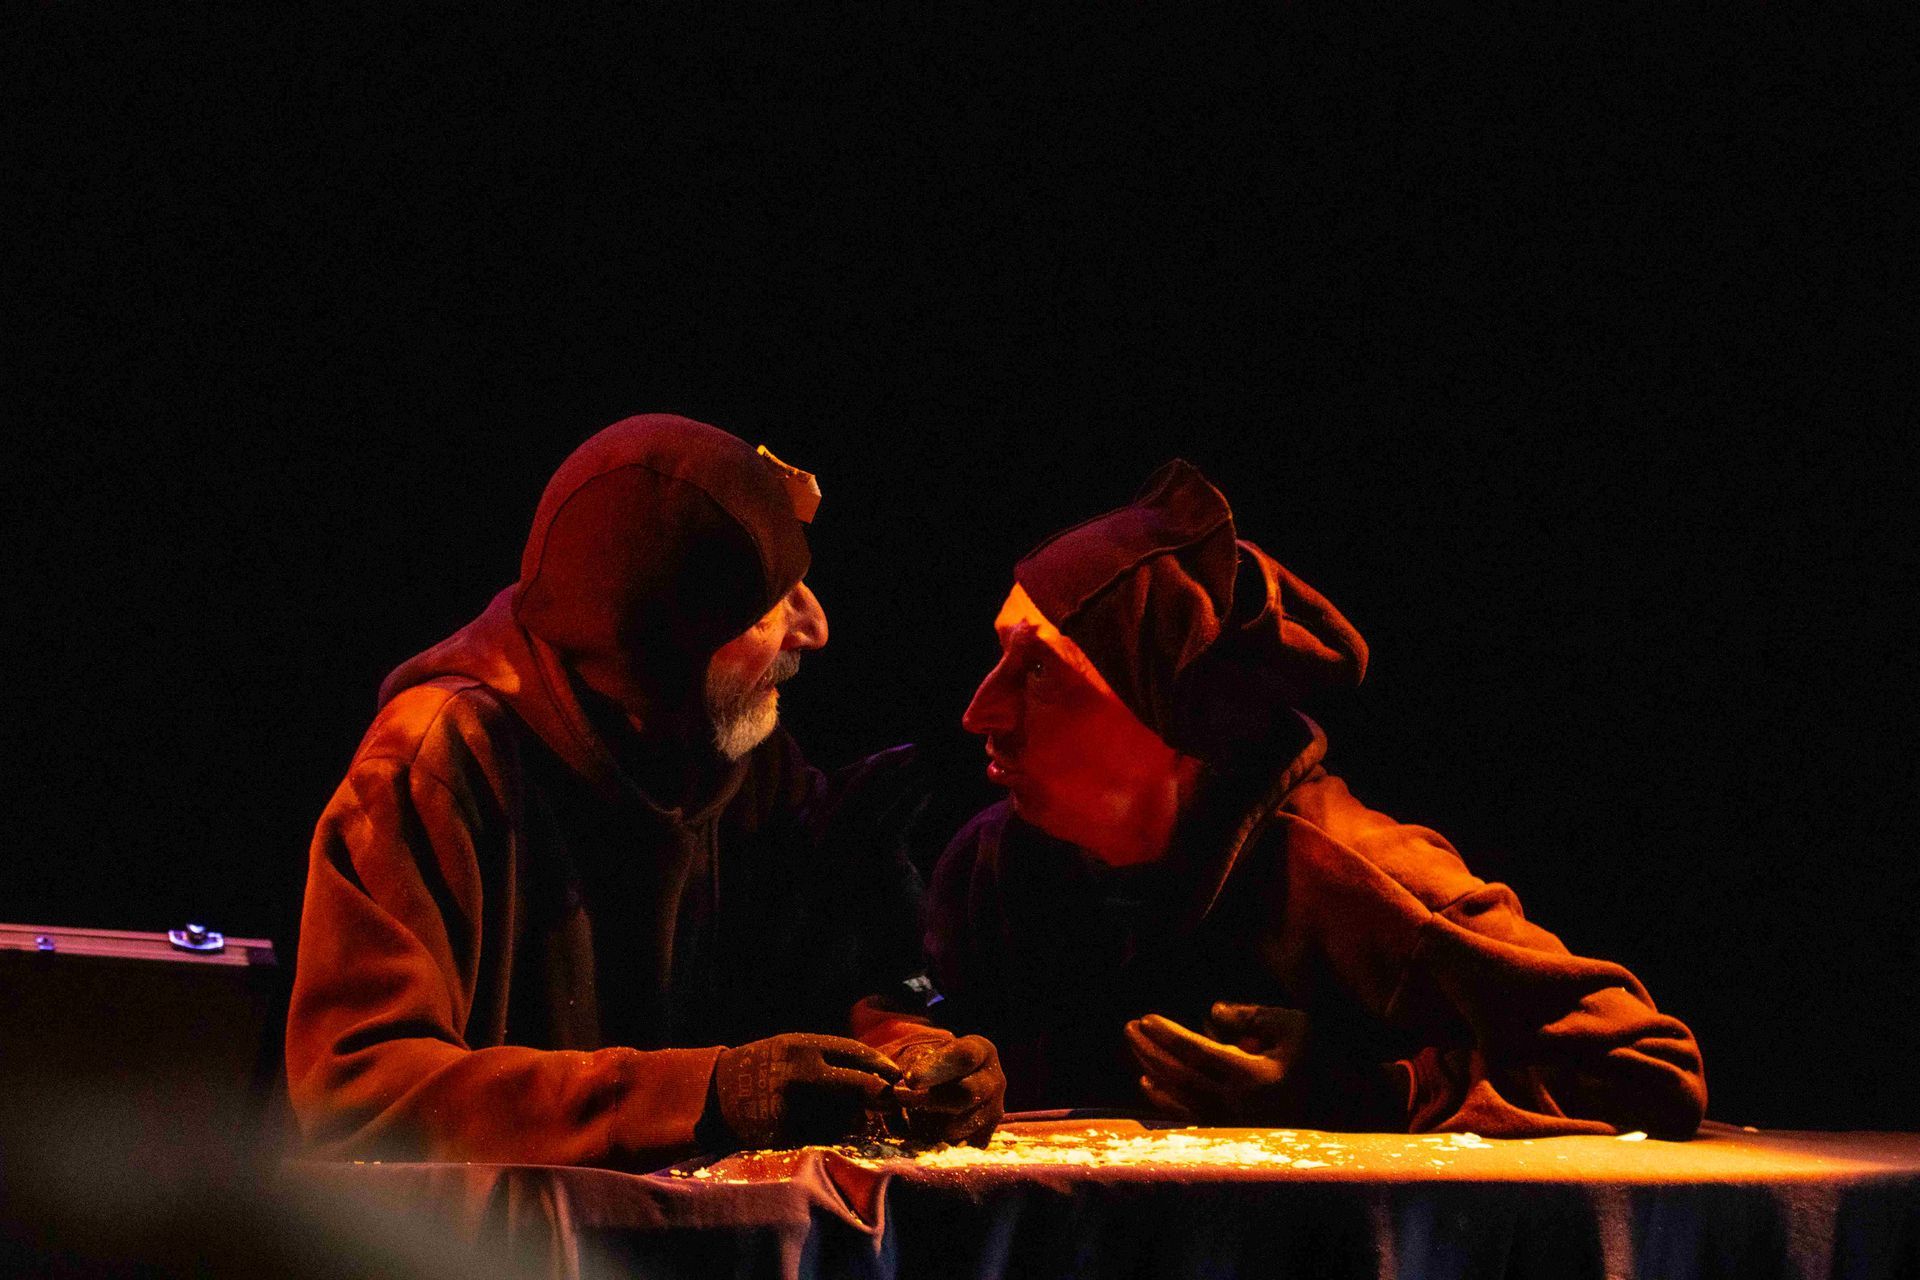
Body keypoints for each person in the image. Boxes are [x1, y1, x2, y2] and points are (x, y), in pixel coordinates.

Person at [286, 414, 1002, 1168]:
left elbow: (837, 964)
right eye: (769, 603)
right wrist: (701, 1095)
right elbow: (362, 1089)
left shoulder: (731, 748)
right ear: (662, 639)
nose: (814, 626)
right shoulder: (437, 762)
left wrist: (908, 1054)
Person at [926, 460, 1706, 1138]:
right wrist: (921, 1057)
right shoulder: (997, 860)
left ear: (1182, 724)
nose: (978, 711)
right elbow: (911, 1005)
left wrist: (1372, 1092)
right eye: (1001, 655)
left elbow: (1649, 1066)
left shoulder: (1356, 876)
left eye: (1041, 672)